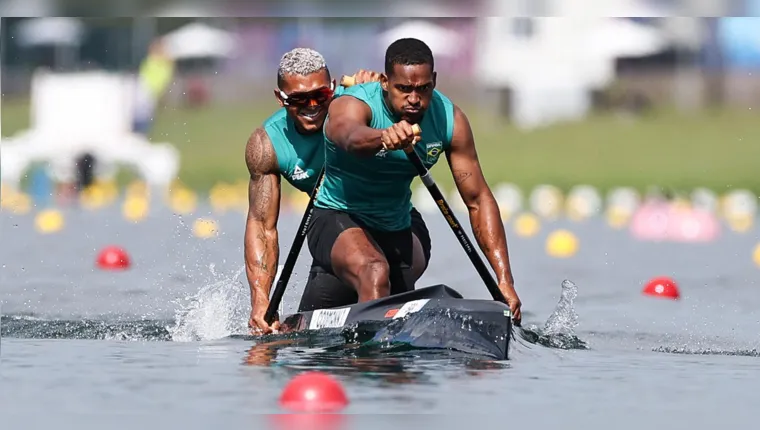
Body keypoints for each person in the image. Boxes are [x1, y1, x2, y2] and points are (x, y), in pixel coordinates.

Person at [309, 38, 523, 325]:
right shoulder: (354, 103)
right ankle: (371, 364)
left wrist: (504, 280)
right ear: (385, 82)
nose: (414, 99)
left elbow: (478, 199)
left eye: (423, 89)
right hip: (337, 216)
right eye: (404, 89)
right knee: (374, 272)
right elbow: (349, 136)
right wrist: (383, 137)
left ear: (434, 80)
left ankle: (381, 339)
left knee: (382, 276)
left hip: (397, 223)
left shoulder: (450, 120)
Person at [245, 47, 433, 335]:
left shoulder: (354, 106)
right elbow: (262, 227)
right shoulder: (267, 145)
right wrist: (260, 301)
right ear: (279, 98)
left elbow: (394, 96)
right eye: (297, 99)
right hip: (336, 228)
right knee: (298, 336)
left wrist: (371, 91)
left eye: (320, 96)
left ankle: (376, 350)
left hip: (393, 221)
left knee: (377, 272)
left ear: (333, 89)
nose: (311, 105)